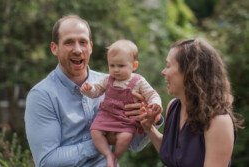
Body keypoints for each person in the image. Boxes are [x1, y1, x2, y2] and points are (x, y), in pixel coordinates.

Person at [24, 14, 163, 167]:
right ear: (54, 48)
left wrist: (149, 121)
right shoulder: (42, 96)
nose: (77, 50)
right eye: (69, 42)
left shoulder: (115, 84)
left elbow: (135, 145)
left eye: (83, 42)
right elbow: (47, 161)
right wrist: (101, 142)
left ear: (90, 46)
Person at [140, 38, 244, 167]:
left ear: (190, 71)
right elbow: (173, 155)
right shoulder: (173, 107)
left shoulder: (219, 122)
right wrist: (149, 128)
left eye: (168, 65)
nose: (163, 72)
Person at [80, 39, 162, 167]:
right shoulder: (107, 79)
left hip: (125, 119)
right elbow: (96, 92)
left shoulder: (139, 81)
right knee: (95, 131)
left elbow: (152, 94)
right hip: (106, 116)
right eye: (112, 66)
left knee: (126, 137)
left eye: (121, 66)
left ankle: (115, 156)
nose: (116, 70)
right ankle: (107, 154)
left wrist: (155, 103)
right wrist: (89, 90)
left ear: (134, 66)